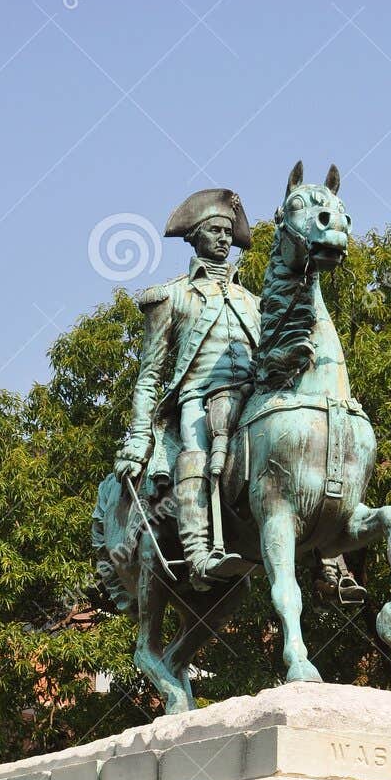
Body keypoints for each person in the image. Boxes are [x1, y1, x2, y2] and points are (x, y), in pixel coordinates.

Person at [114, 187, 259, 587]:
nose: (224, 239)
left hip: (252, 398)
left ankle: (327, 559)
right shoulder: (172, 296)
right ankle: (198, 554)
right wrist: (140, 434)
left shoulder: (255, 302)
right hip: (198, 397)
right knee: (195, 449)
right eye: (214, 230)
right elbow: (150, 375)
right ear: (194, 236)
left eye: (228, 232)